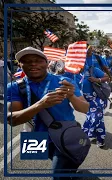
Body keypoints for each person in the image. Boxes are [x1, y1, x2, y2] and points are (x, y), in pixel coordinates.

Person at [7, 47, 89, 179]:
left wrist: (72, 96)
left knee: (58, 174)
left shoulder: (63, 81)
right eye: (26, 61)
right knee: (59, 162)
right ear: (20, 65)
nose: (33, 64)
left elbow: (85, 108)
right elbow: (12, 120)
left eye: (38, 61)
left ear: (47, 63)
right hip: (36, 136)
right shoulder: (13, 87)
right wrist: (41, 104)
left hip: (64, 134)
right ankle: (71, 173)